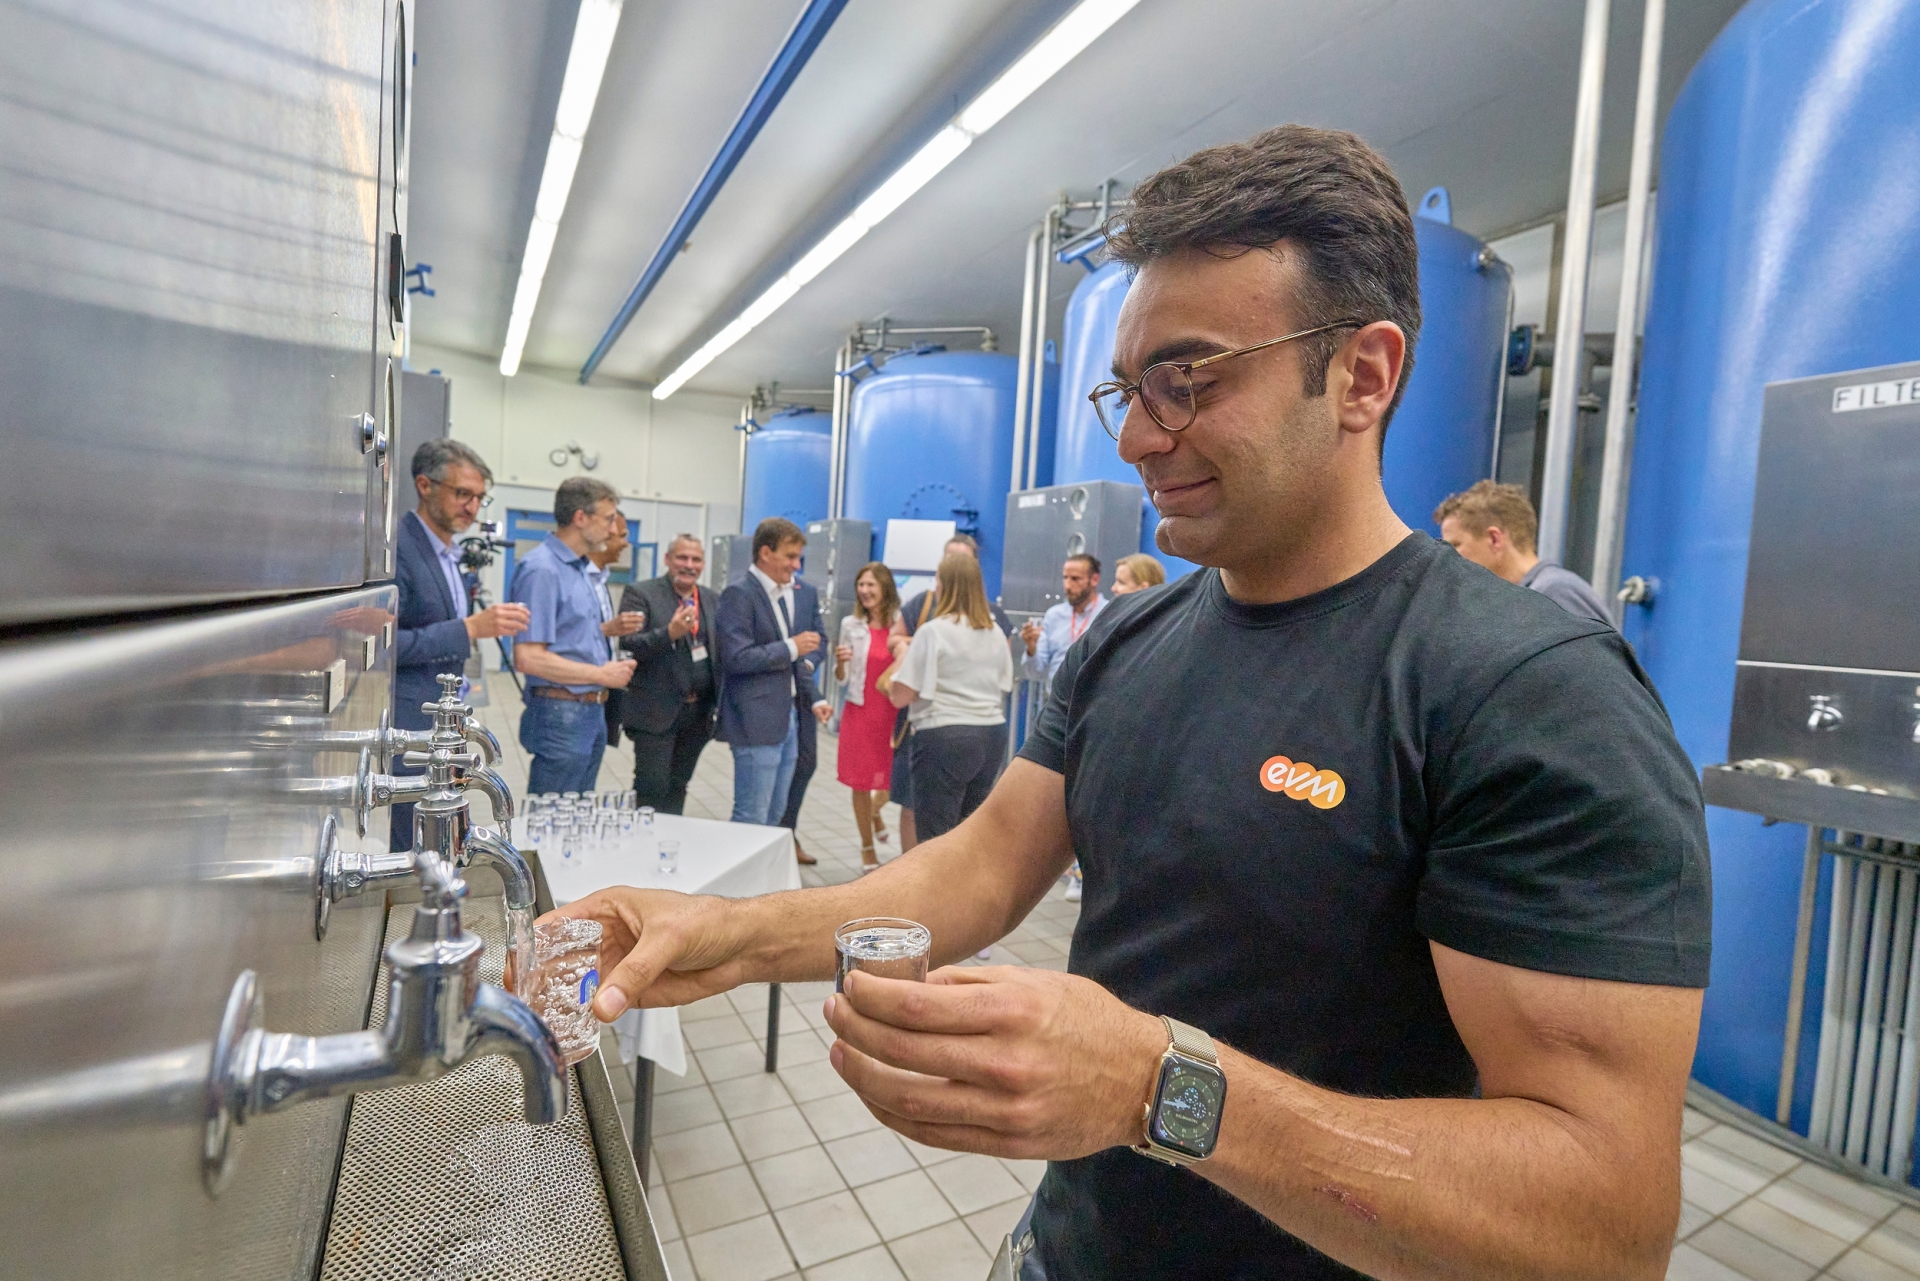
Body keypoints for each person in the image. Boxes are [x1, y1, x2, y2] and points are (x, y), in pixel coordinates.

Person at [559, 125, 1709, 1281]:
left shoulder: (1523, 692)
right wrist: (725, 931)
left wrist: (1159, 1089)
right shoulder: (1130, 639)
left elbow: (1604, 1225)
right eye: (1128, 390)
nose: (1141, 440)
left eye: (1189, 382)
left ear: (1362, 376)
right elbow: (982, 868)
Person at [391, 439, 527, 850]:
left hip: (440, 727)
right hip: (409, 725)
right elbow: (381, 646)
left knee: (435, 839)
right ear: (424, 485)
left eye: (479, 498)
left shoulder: (448, 553)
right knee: (409, 842)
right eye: (463, 493)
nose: (472, 507)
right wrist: (467, 630)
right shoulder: (398, 547)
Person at [508, 477, 636, 795]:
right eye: (608, 519)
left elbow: (571, 637)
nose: (612, 530)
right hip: (561, 711)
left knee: (577, 813)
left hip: (590, 710)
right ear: (581, 517)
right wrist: (602, 674)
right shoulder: (543, 570)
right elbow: (528, 657)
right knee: (552, 814)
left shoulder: (578, 570)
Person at [891, 534, 1011, 853]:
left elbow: (900, 695)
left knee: (935, 837)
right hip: (991, 736)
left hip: (943, 736)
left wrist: (902, 656)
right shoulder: (995, 632)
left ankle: (932, 888)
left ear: (944, 585)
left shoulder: (933, 631)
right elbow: (1004, 682)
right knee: (970, 831)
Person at [716, 517, 831, 844]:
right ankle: (737, 876)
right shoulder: (739, 594)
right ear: (765, 553)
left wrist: (806, 671)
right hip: (756, 721)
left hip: (787, 718)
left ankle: (762, 876)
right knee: (751, 816)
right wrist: (792, 647)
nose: (796, 566)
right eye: (790, 557)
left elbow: (812, 645)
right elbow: (736, 658)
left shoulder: (791, 593)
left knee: (775, 815)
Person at [617, 534, 719, 814]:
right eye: (682, 558)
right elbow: (628, 643)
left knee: (678, 784)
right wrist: (669, 634)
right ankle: (643, 838)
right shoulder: (641, 593)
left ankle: (671, 836)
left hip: (697, 714)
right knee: (652, 785)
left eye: (696, 559)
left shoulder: (711, 599)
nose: (689, 565)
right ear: (667, 559)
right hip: (655, 712)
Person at [1435, 479, 1616, 627]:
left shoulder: (1555, 593)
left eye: (1455, 545)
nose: (1448, 556)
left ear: (1494, 539)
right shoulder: (1526, 598)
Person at [834, 562, 904, 872]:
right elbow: (841, 679)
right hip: (861, 711)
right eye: (860, 585)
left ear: (885, 588)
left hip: (894, 713)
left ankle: (874, 813)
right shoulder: (850, 625)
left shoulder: (902, 624)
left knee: (892, 780)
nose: (864, 590)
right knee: (861, 782)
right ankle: (867, 846)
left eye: (870, 585)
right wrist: (839, 663)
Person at [586, 511, 646, 748]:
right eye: (622, 535)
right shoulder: (574, 579)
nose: (625, 543)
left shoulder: (600, 581)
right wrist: (607, 628)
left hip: (598, 700)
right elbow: (558, 637)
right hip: (571, 701)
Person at [1021, 554, 1107, 685]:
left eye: (1075, 579)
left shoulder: (1108, 614)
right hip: (1055, 695)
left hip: (1092, 695)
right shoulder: (1054, 616)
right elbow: (1035, 673)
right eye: (1065, 578)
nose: (1067, 585)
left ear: (1094, 580)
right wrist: (1031, 649)